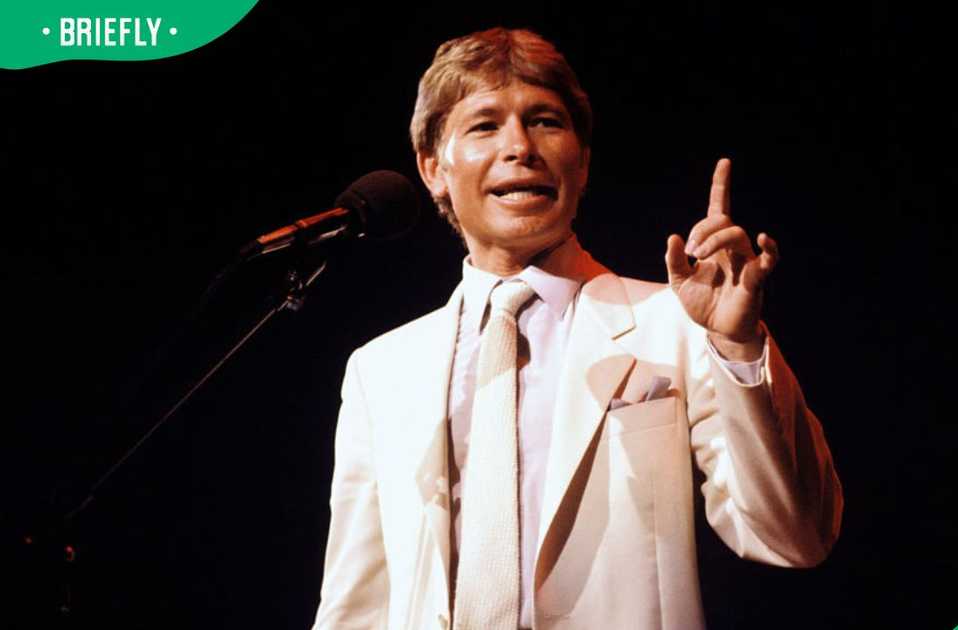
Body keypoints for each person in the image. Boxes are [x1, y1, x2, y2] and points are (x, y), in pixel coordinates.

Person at [312, 27, 842, 630]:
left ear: (583, 163)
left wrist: (739, 346)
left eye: (544, 121)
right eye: (485, 125)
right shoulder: (382, 369)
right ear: (433, 168)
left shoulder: (675, 324)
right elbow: (356, 602)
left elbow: (796, 537)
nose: (520, 147)